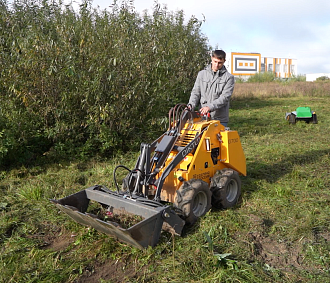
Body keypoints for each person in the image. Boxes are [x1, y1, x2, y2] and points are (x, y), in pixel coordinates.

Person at [188, 50, 235, 127]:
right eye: (215, 61)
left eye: (220, 62)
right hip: (202, 118)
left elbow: (225, 98)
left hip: (219, 119)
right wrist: (190, 106)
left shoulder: (229, 78)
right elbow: (195, 92)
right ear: (211, 58)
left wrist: (209, 107)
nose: (217, 65)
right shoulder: (202, 74)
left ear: (224, 61)